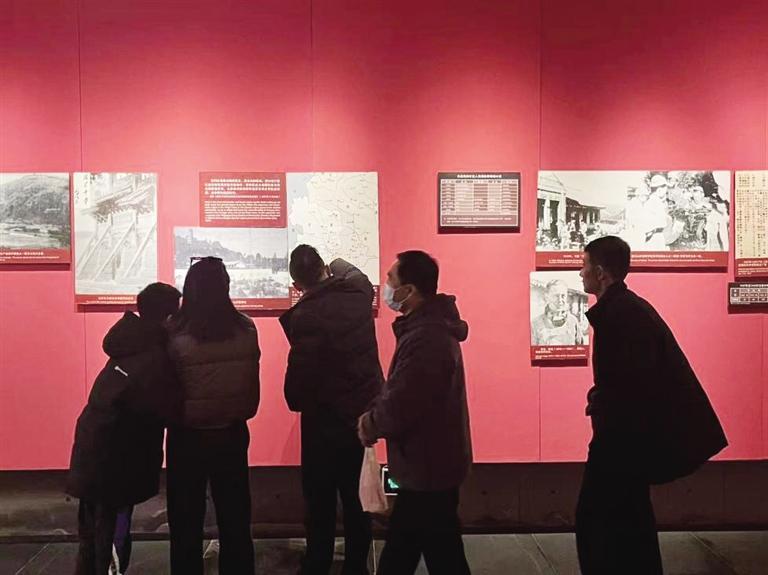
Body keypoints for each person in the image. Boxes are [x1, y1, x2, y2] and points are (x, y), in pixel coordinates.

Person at [576, 236, 727, 575]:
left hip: (621, 441)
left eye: (583, 265)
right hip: (626, 439)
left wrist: (600, 406)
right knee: (630, 523)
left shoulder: (622, 314)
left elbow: (630, 383)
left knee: (596, 521)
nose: (579, 272)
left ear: (600, 273)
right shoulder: (626, 309)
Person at [357, 251, 472, 575]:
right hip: (430, 463)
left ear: (409, 290)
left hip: (427, 465)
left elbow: (404, 399)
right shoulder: (426, 330)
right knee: (438, 551)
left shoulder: (427, 338)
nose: (386, 286)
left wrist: (371, 423)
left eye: (391, 279)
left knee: (411, 552)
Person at [279, 245, 384, 575]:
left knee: (320, 501)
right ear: (325, 268)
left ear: (297, 286)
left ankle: (318, 563)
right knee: (356, 500)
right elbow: (353, 271)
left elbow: (296, 388)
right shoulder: (359, 294)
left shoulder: (305, 316)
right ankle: (356, 566)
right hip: (358, 419)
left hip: (321, 425)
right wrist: (332, 265)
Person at [67, 283, 182, 575]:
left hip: (93, 448)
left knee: (91, 535)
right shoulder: (155, 355)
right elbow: (165, 408)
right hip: (119, 458)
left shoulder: (128, 342)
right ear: (168, 317)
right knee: (112, 535)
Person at [166, 257, 261, 575]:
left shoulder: (173, 332)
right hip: (231, 432)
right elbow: (250, 386)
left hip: (187, 435)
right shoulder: (246, 328)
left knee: (185, 520)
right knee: (235, 518)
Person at [531, 279, 584, 346]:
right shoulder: (535, 324)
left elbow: (581, 348)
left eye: (563, 296)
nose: (560, 300)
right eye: (556, 296)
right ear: (547, 297)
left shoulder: (573, 321)